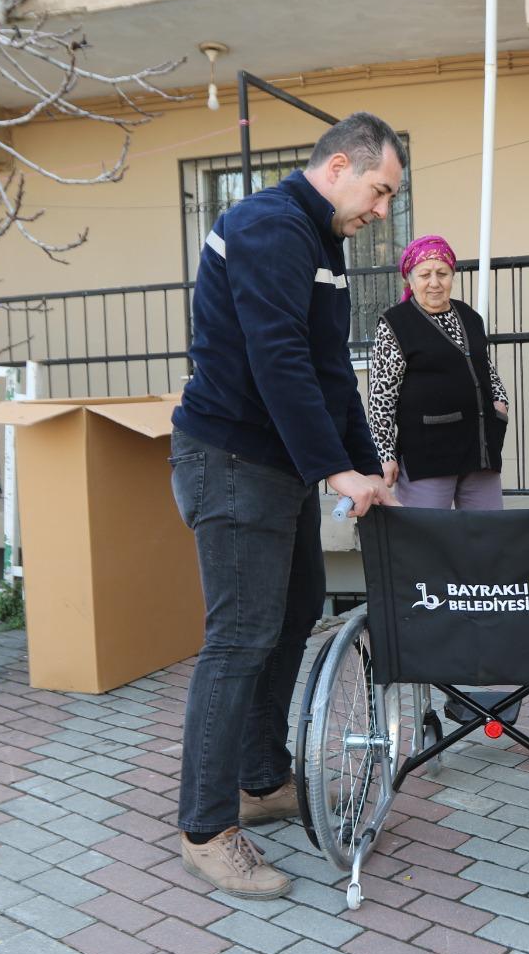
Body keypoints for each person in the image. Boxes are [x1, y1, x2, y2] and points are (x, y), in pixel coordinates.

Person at [169, 112, 404, 899]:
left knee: (296, 609)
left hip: (273, 466)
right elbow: (276, 361)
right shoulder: (271, 226)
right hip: (230, 460)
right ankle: (206, 828)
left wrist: (370, 467)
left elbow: (330, 374)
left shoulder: (321, 244)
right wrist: (335, 472)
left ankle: (262, 778)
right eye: (378, 191)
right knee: (239, 637)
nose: (381, 212)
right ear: (338, 166)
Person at [366, 234, 510, 509]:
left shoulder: (469, 317)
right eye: (425, 274)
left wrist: (500, 404)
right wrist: (385, 453)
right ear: (410, 279)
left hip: (479, 450)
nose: (434, 282)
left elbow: (485, 369)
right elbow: (381, 397)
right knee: (427, 542)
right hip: (428, 454)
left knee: (488, 539)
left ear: (452, 275)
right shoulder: (396, 323)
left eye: (442, 273)